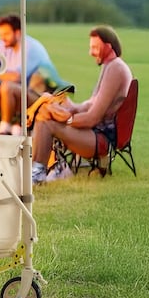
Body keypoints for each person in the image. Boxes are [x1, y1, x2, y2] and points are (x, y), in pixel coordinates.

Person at [30, 25, 132, 184]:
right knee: (46, 113)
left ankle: (42, 172)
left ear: (108, 46)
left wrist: (67, 119)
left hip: (101, 140)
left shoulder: (116, 69)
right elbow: (91, 104)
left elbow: (92, 118)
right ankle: (45, 169)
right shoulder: (110, 66)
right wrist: (69, 107)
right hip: (95, 134)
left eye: (95, 47)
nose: (90, 52)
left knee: (48, 123)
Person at [0, 14, 68, 136]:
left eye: (6, 34)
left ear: (18, 33)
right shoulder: (3, 45)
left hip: (36, 96)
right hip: (9, 94)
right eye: (1, 34)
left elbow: (17, 77)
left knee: (7, 86)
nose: (2, 38)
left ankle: (5, 129)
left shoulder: (30, 47)